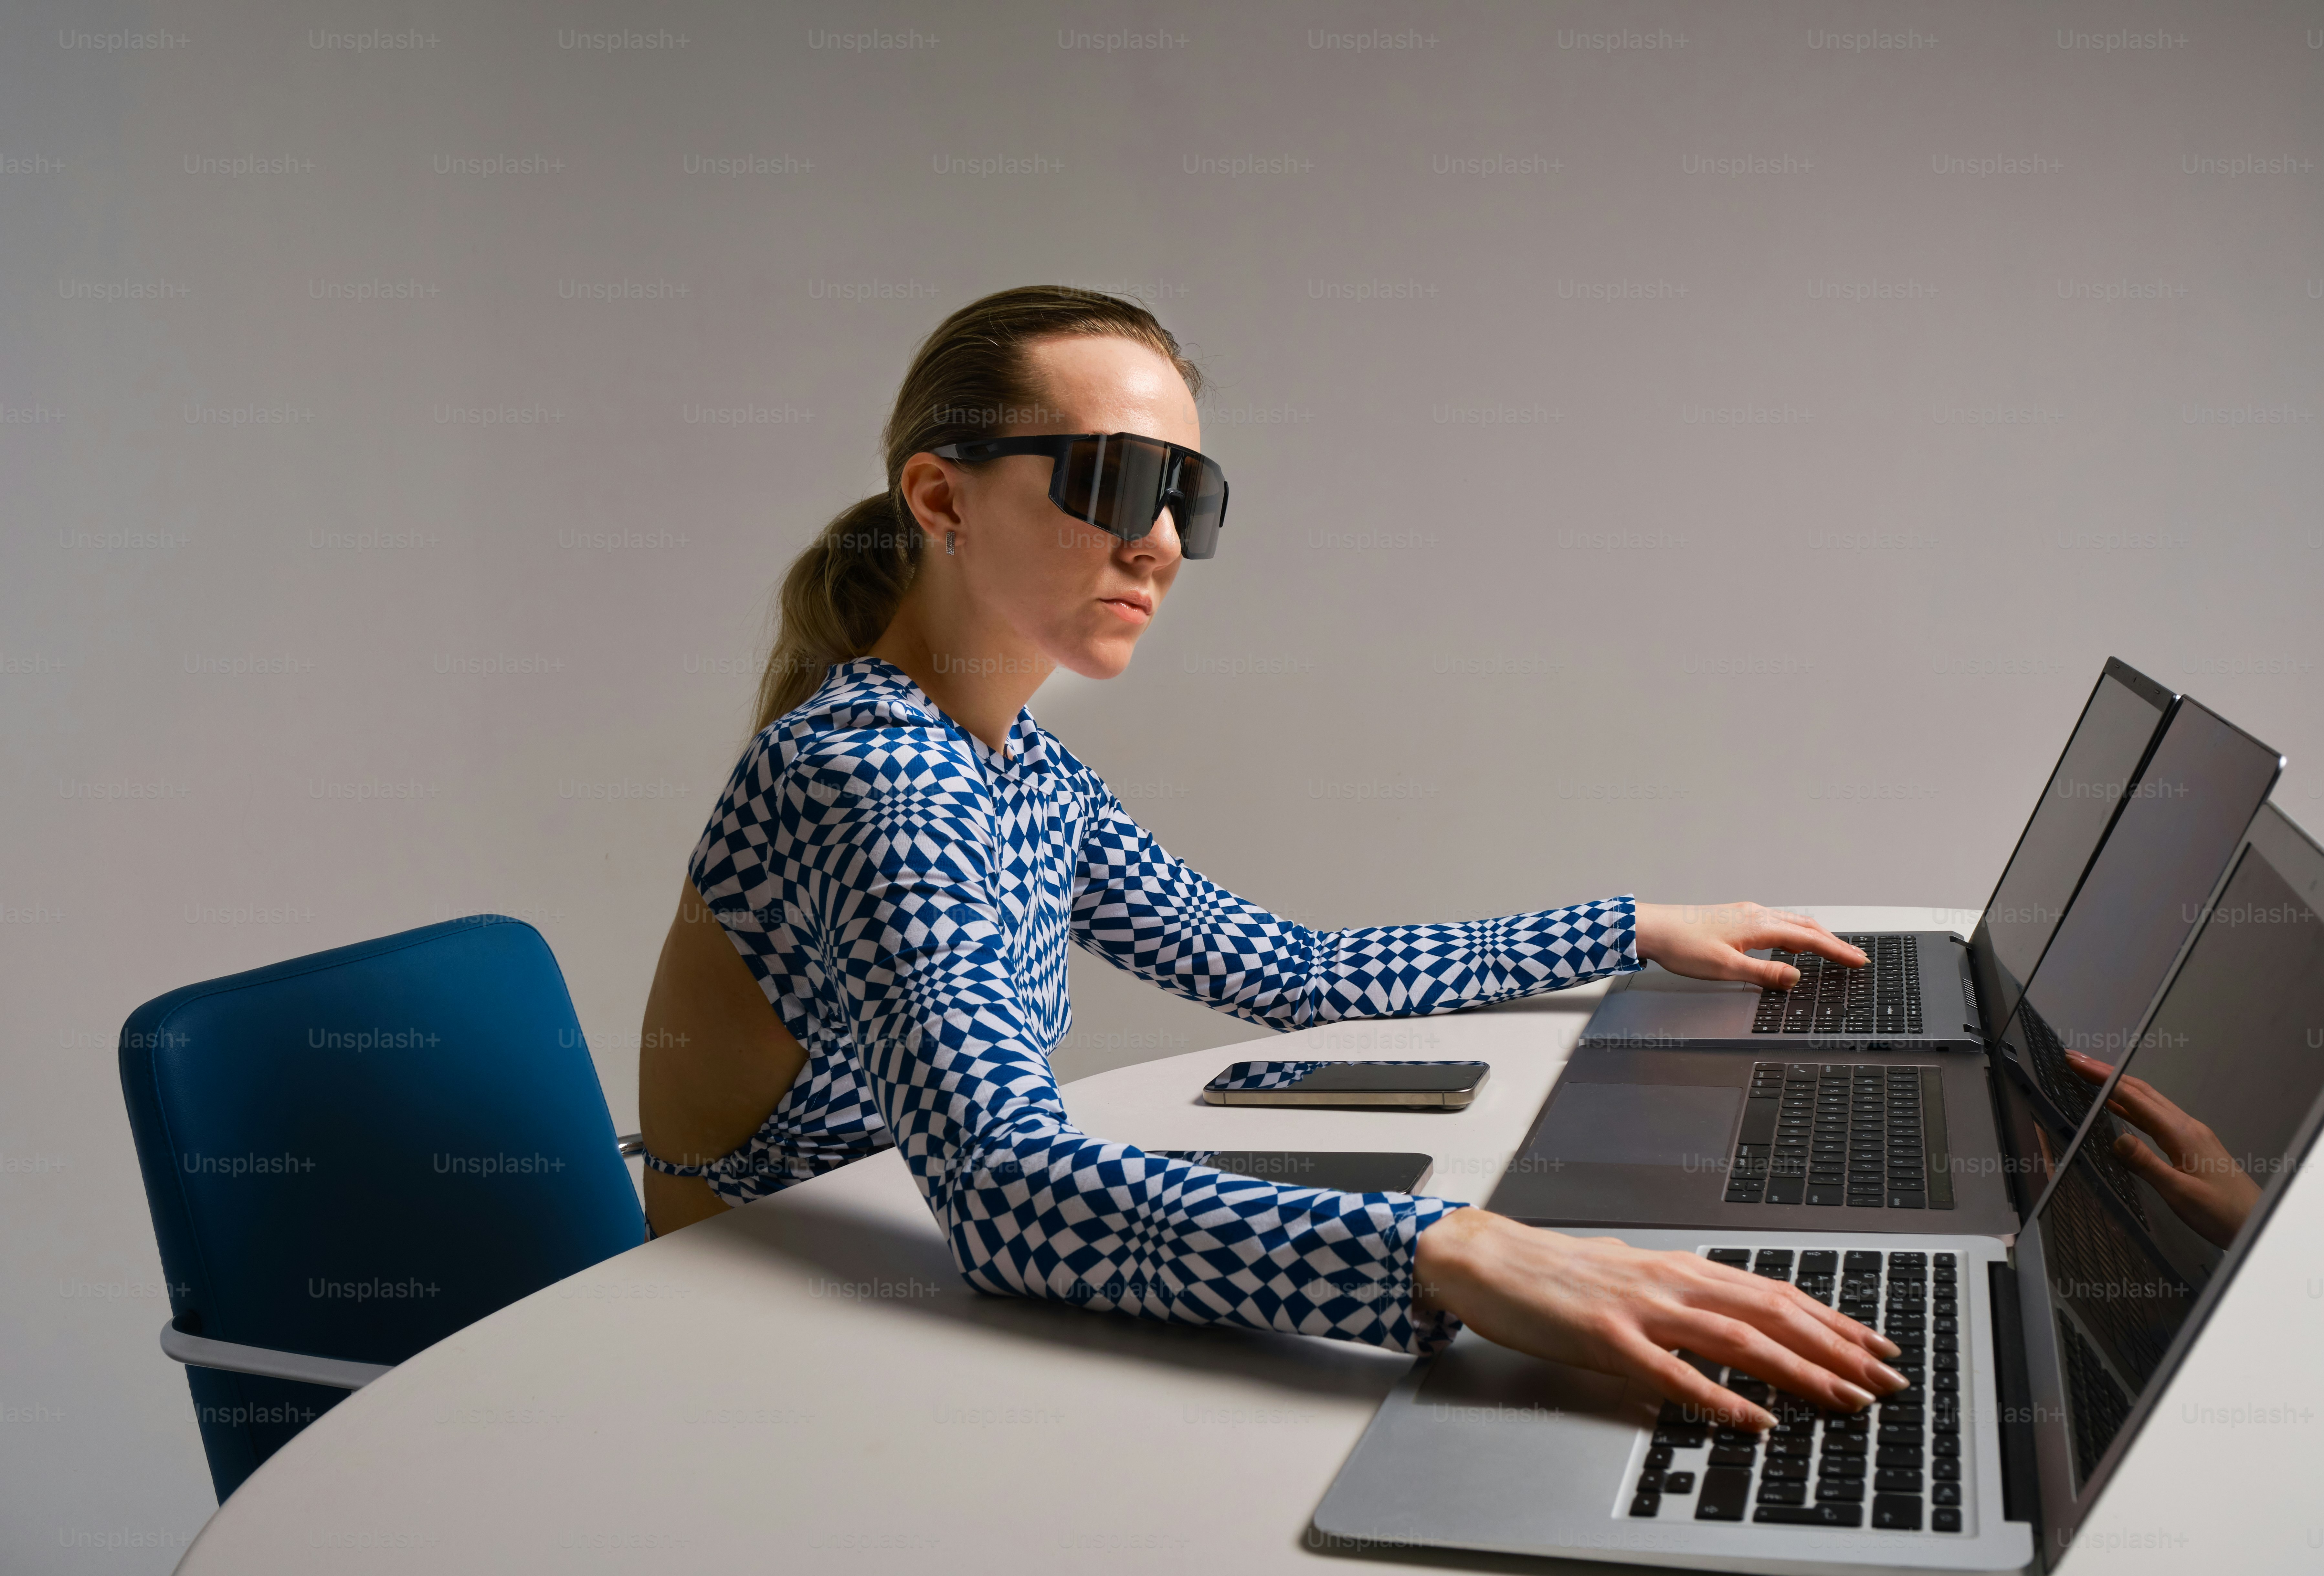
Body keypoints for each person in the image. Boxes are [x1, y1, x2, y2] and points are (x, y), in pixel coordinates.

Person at [637, 285, 1906, 1430]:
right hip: (749, 1345)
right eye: (1116, 482)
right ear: (940, 499)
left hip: (890, 1273)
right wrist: (1451, 1254)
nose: (1160, 543)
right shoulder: (874, 776)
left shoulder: (1020, 769)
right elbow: (1004, 1191)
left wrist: (1630, 928)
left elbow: (1294, 971)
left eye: (1187, 499)